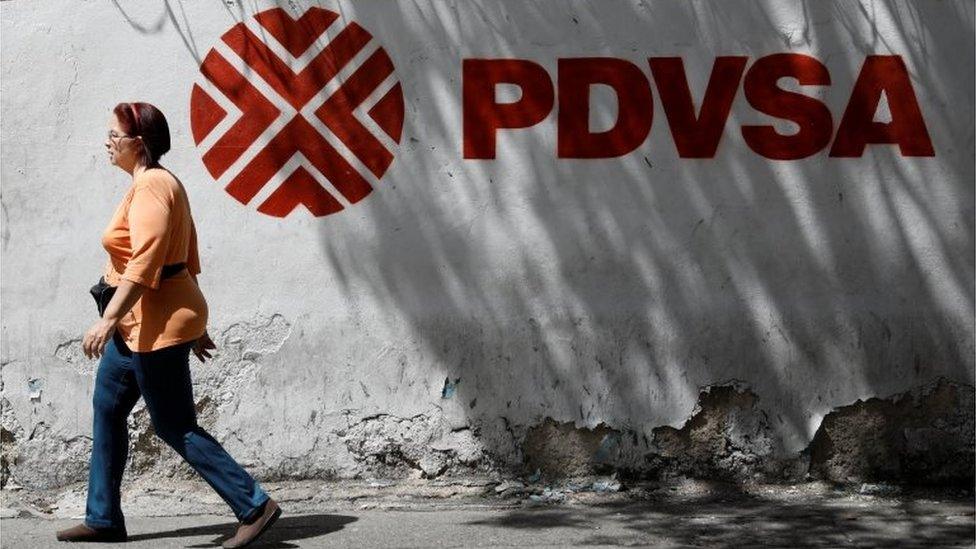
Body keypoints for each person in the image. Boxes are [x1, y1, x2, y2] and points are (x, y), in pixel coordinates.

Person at [55, 102, 281, 548]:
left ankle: (254, 505)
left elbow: (148, 261)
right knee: (107, 408)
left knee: (175, 424)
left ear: (139, 143)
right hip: (138, 326)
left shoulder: (153, 186)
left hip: (154, 326)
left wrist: (107, 320)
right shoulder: (148, 184)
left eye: (114, 136)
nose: (108, 143)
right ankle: (103, 518)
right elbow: (185, 252)